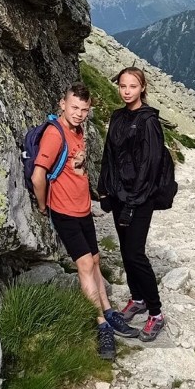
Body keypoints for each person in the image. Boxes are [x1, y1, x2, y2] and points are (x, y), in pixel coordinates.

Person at [31, 82, 138, 361]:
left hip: (82, 209)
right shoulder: (55, 135)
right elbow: (37, 175)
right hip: (64, 210)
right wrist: (44, 207)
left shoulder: (78, 131)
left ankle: (108, 310)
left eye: (84, 109)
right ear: (62, 104)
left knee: (96, 259)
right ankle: (101, 324)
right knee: (85, 264)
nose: (78, 113)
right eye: (74, 107)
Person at [99, 67, 167, 342]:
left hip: (140, 198)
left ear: (142, 88)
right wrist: (105, 190)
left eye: (132, 86)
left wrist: (133, 202)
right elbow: (109, 156)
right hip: (119, 195)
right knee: (127, 253)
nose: (127, 91)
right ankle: (137, 298)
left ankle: (156, 313)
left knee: (136, 253)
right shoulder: (117, 117)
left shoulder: (149, 121)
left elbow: (150, 166)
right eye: (123, 86)